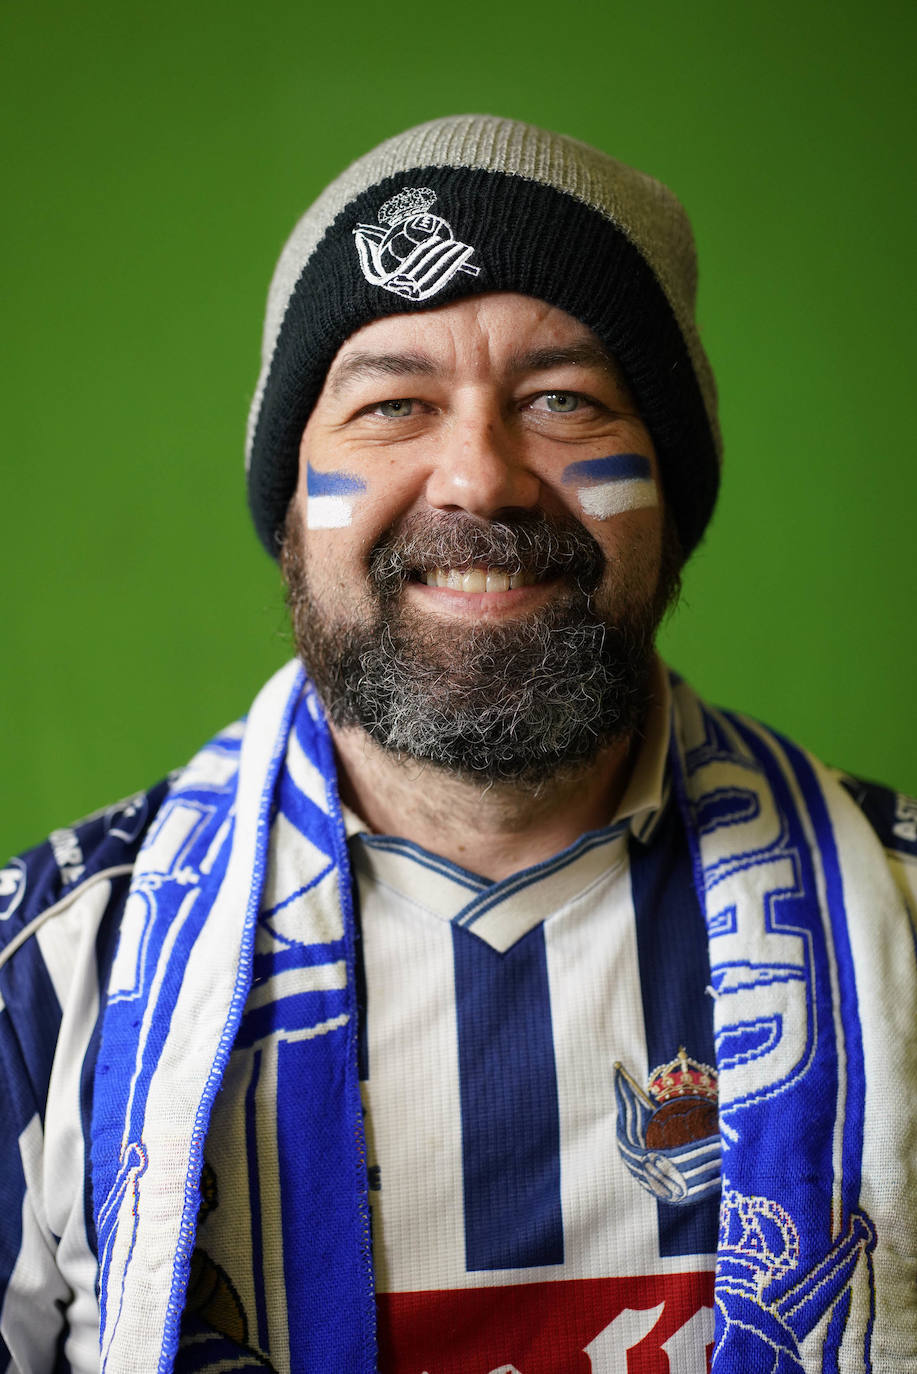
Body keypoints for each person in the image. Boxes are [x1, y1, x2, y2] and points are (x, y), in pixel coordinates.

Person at [0, 115, 914, 1374]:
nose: (476, 479)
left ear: (671, 482)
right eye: (391, 404)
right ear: (291, 499)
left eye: (560, 399)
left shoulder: (903, 924)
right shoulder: (40, 981)